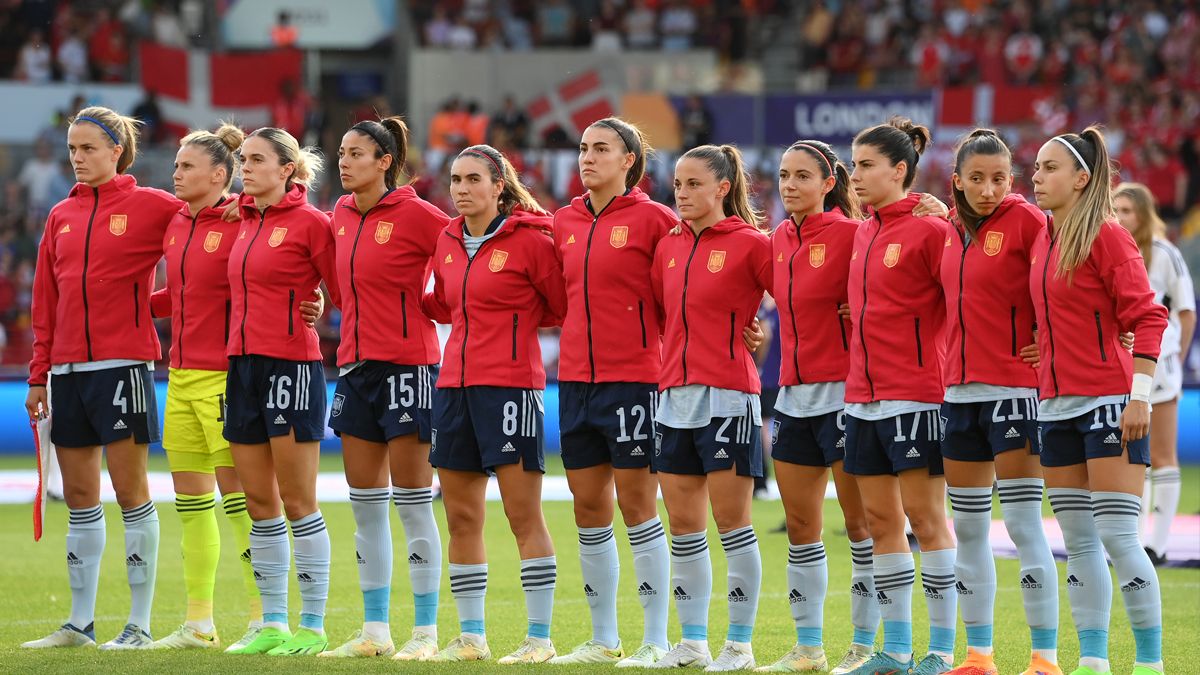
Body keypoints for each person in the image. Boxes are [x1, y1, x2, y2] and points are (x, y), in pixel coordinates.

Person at [22, 106, 180, 650]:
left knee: (131, 492)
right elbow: (46, 299)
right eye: (72, 149)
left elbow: (208, 238)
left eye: (89, 148)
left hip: (124, 367)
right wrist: (39, 374)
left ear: (117, 150)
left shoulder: (154, 206)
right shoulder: (60, 216)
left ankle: (138, 624)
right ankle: (80, 623)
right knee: (83, 496)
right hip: (66, 373)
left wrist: (149, 303)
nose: (78, 158)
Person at [420, 144, 567, 664]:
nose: (460, 188)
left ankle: (540, 640)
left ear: (498, 185)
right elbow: (440, 301)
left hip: (512, 388)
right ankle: (472, 637)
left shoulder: (531, 240)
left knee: (521, 514)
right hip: (452, 387)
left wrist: (513, 326)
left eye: (472, 179)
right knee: (461, 517)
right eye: (455, 179)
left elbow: (561, 305)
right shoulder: (445, 240)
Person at [1031, 128, 1168, 675]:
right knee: (1079, 542)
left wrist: (1139, 397)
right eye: (1036, 168)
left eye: (1048, 168)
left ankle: (1151, 664)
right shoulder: (1043, 235)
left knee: (1117, 536)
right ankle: (1092, 662)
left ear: (1082, 178)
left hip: (1109, 402)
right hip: (1054, 408)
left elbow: (1148, 316)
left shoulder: (1108, 236)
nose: (1036, 177)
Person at [317, 117, 451, 660]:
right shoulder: (341, 214)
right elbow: (334, 284)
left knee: (414, 505)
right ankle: (375, 631)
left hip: (409, 367)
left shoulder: (420, 215)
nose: (344, 161)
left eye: (355, 153)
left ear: (384, 161)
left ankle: (424, 633)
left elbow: (467, 249)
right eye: (341, 152)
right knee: (366, 508)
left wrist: (438, 307)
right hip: (353, 368)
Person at [547, 118, 679, 667]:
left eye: (602, 148)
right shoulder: (563, 220)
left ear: (630, 160)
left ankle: (656, 638)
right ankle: (604, 638)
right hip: (576, 381)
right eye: (583, 148)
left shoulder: (656, 220)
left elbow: (691, 283)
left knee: (638, 505)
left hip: (635, 380)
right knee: (587, 508)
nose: (588, 157)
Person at [756, 140, 882, 674]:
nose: (789, 186)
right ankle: (808, 649)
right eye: (784, 175)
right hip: (791, 397)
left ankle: (864, 646)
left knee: (860, 525)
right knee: (801, 524)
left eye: (802, 176)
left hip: (845, 397)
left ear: (830, 182)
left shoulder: (856, 235)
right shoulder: (777, 239)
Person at [937, 130, 1060, 675]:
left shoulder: (1032, 221)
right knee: (967, 528)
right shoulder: (944, 228)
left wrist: (1059, 338)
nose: (989, 190)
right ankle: (979, 655)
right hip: (957, 395)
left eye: (1000, 179)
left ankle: (1044, 657)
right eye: (977, 179)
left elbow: (1068, 281)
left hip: (1014, 390)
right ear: (957, 180)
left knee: (1023, 524)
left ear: (1012, 179)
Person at [649, 144, 772, 671]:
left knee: (733, 524)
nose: (682, 193)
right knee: (683, 527)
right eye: (678, 184)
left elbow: (792, 299)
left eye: (695, 184)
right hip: (672, 397)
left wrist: (758, 337)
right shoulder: (667, 248)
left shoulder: (751, 244)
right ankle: (693, 642)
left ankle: (739, 646)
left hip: (728, 395)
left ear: (723, 188)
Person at [842, 117, 957, 675]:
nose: (855, 174)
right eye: (854, 164)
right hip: (860, 397)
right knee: (881, 524)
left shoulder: (934, 229)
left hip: (915, 395)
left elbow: (968, 298)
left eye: (865, 165)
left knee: (926, 519)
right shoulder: (864, 231)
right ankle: (895, 650)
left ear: (899, 170)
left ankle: (940, 650)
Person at [222, 126, 341, 656]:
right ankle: (273, 622)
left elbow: (344, 291)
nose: (244, 168)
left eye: (256, 160)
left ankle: (312, 625)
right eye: (242, 159)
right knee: (258, 501)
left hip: (293, 367)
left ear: (287, 169)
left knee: (298, 500)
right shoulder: (242, 221)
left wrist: (320, 307)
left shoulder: (314, 224)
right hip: (241, 368)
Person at [1114, 182, 1196, 567]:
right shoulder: (1110, 251)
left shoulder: (1165, 254)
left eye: (1127, 210)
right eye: (1115, 209)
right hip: (1121, 367)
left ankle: (1157, 546)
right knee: (1132, 457)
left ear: (1145, 215)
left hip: (1159, 365)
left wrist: (1176, 356)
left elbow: (1186, 309)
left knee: (1161, 454)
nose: (1120, 216)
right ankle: (1134, 542)